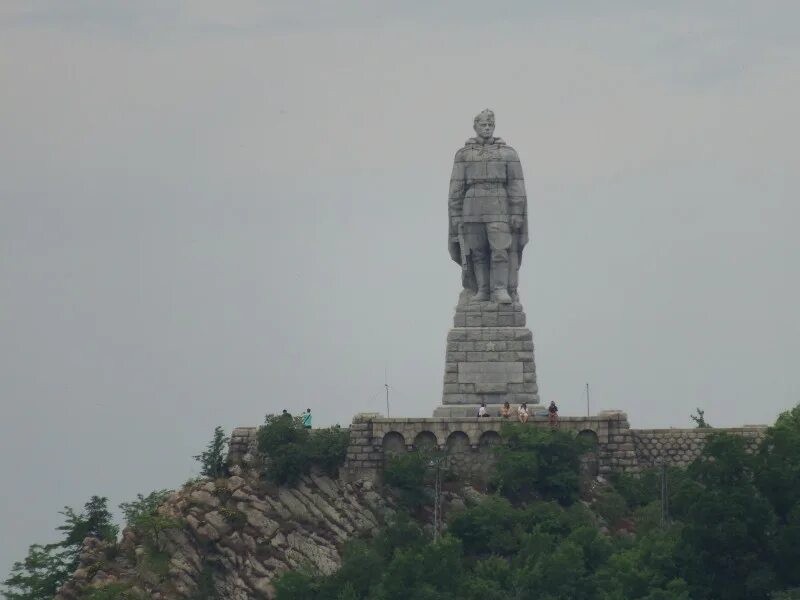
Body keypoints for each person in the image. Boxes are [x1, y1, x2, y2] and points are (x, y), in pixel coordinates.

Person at [448, 109, 529, 304]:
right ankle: (482, 290)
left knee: (501, 250)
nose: (486, 128)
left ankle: (500, 289)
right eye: (483, 125)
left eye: (490, 125)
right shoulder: (464, 155)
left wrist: (517, 211)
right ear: (475, 127)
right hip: (472, 207)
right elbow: (456, 187)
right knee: (477, 252)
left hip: (498, 205)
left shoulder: (508, 153)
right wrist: (456, 214)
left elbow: (516, 185)